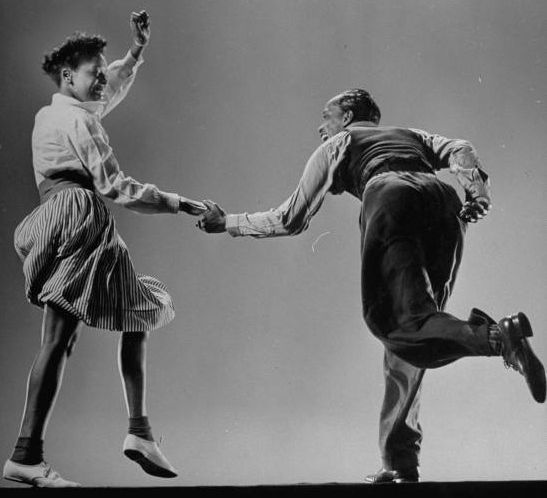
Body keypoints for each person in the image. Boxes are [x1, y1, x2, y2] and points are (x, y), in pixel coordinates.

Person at [197, 88, 546, 483]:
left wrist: (227, 222)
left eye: (325, 116)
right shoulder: (410, 135)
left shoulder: (339, 144)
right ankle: (400, 462)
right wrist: (476, 190)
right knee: (416, 334)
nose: (319, 126)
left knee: (400, 325)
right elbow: (460, 147)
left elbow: (291, 218)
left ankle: (499, 338)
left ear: (347, 116)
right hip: (444, 203)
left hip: (389, 196)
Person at [3, 11, 206, 488]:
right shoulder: (80, 123)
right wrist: (178, 202)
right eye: (92, 72)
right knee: (61, 338)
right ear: (67, 77)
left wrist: (134, 53)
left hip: (57, 218)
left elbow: (106, 90)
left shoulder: (56, 113)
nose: (100, 80)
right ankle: (26, 455)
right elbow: (116, 185)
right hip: (78, 217)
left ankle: (139, 431)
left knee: (135, 309)